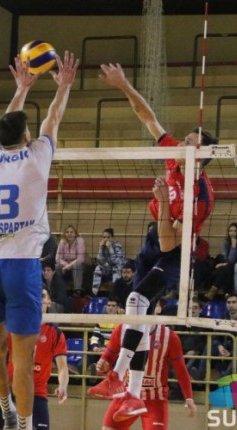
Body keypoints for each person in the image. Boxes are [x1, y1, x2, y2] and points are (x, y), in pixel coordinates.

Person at [90, 62, 216, 420]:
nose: (183, 143)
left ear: (202, 155)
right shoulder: (176, 158)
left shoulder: (200, 196)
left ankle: (118, 376)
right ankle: (132, 395)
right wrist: (123, 84)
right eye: (185, 140)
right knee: (138, 314)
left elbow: (168, 245)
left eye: (190, 142)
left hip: (176, 251)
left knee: (136, 300)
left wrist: (162, 204)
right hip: (154, 237)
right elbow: (148, 117)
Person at [0, 51, 79, 430]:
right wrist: (63, 86)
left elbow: (6, 127)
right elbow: (53, 118)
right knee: (23, 355)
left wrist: (20, 89)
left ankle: (4, 410)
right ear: (26, 137)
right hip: (21, 267)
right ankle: (23, 423)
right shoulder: (37, 157)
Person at [0, 287, 69, 430]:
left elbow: (62, 368)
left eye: (42, 296)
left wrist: (62, 386)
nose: (38, 299)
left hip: (36, 394)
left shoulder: (55, 333)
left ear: (49, 302)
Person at [94, 324, 196, 428]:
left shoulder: (169, 336)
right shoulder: (121, 329)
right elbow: (108, 356)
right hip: (126, 394)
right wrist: (103, 363)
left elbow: (181, 370)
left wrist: (189, 397)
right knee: (108, 428)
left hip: (155, 397)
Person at [207, 222, 237, 300]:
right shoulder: (225, 242)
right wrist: (232, 247)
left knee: (229, 268)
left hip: (235, 267)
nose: (232, 233)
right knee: (228, 269)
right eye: (230, 231)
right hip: (225, 266)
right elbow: (227, 259)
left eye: (235, 231)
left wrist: (234, 246)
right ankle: (227, 293)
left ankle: (214, 289)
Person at [92, 228, 126, 296]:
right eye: (104, 237)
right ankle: (94, 291)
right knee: (98, 268)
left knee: (116, 268)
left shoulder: (117, 246)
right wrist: (100, 248)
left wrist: (110, 248)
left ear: (112, 238)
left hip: (117, 269)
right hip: (107, 269)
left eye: (108, 237)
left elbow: (115, 262)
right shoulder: (102, 246)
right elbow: (99, 261)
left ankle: (116, 291)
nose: (106, 239)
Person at [55, 225, 88, 294]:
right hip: (66, 266)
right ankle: (59, 289)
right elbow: (57, 258)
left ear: (75, 233)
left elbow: (81, 259)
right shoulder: (62, 242)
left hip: (80, 267)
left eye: (71, 232)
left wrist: (68, 266)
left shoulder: (80, 241)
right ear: (64, 234)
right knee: (57, 266)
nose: (69, 234)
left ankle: (77, 290)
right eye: (67, 232)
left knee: (77, 265)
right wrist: (66, 265)